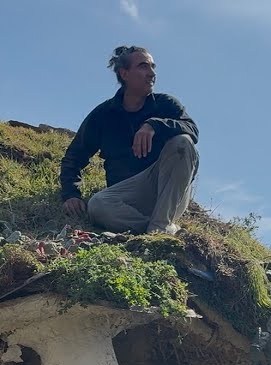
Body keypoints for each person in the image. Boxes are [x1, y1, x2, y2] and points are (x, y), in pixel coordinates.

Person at [59, 45, 199, 235]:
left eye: (153, 67)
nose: (151, 73)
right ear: (124, 74)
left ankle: (160, 226)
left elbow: (192, 129)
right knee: (98, 205)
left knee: (182, 143)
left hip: (167, 191)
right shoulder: (103, 114)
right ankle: (158, 227)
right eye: (143, 66)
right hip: (126, 195)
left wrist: (154, 125)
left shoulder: (166, 104)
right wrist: (71, 194)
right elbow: (73, 157)